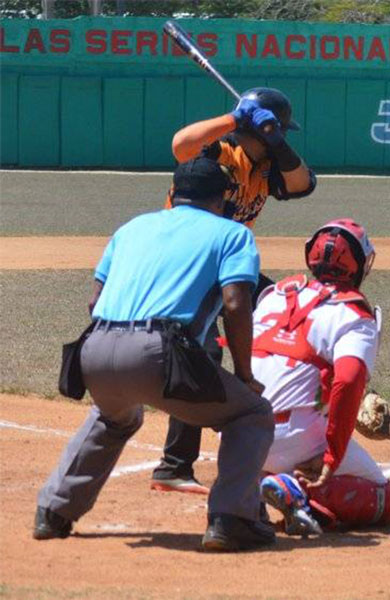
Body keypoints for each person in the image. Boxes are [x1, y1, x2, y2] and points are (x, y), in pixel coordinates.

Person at [33, 157, 276, 552]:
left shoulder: (131, 228)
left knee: (113, 417)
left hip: (93, 349)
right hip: (159, 352)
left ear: (174, 193)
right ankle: (232, 519)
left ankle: (53, 511)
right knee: (252, 414)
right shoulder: (232, 234)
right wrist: (245, 374)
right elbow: (235, 303)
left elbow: (95, 301)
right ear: (222, 199)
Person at [151, 87, 317, 495]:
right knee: (202, 353)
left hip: (231, 266)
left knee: (293, 314)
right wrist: (235, 119)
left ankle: (302, 433)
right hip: (188, 266)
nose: (281, 137)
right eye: (279, 131)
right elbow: (180, 146)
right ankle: (173, 467)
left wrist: (276, 141)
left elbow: (303, 184)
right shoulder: (218, 151)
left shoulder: (266, 164)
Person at [251, 219, 390, 534]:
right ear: (359, 265)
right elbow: (348, 380)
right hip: (295, 437)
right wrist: (333, 455)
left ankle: (247, 482)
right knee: (386, 501)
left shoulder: (273, 294)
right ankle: (295, 488)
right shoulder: (354, 313)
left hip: (240, 432)